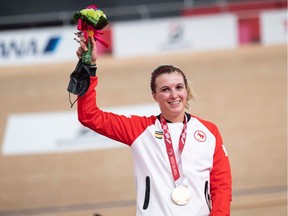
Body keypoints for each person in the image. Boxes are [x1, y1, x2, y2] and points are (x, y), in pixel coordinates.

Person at [75, 36, 232, 216]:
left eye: (179, 87)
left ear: (186, 91)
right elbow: (89, 116)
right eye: (165, 89)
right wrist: (88, 67)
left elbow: (221, 185)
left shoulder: (209, 131)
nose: (174, 95)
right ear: (154, 95)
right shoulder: (139, 129)